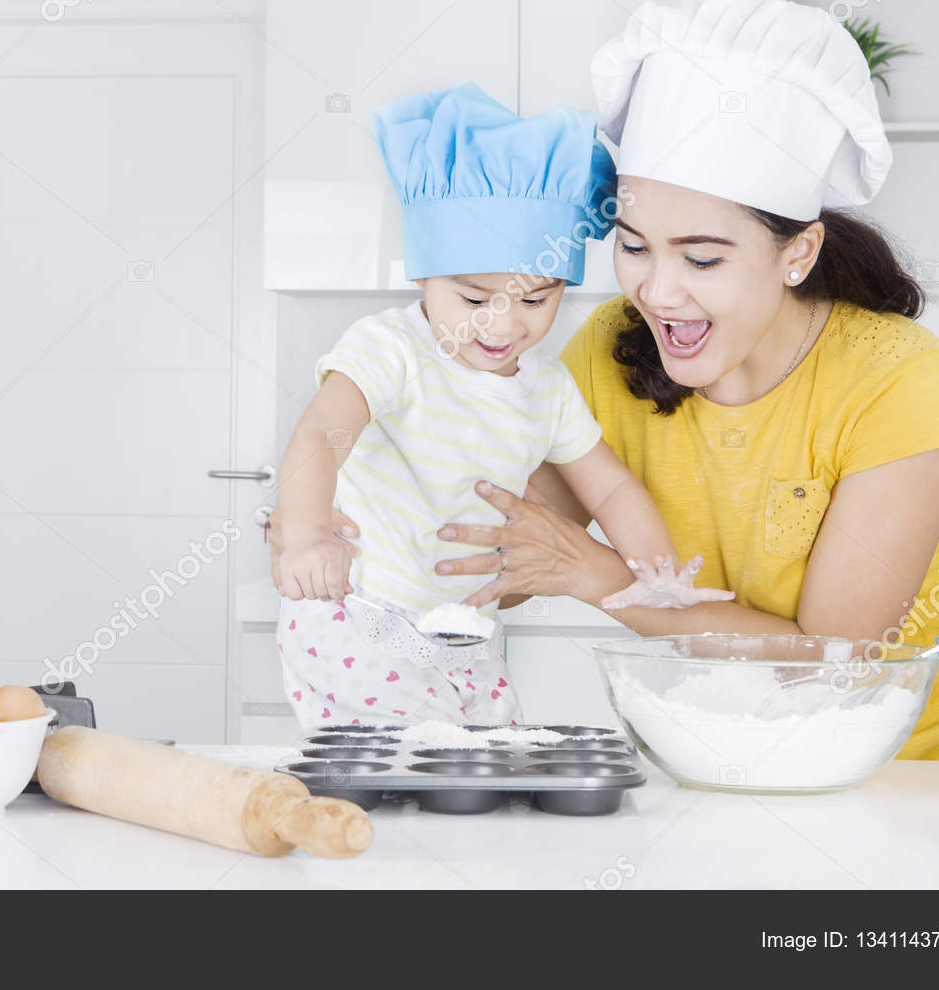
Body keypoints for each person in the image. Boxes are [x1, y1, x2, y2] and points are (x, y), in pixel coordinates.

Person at [400, 0, 939, 762]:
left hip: (938, 769)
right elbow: (513, 547)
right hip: (732, 746)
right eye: (634, 245)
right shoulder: (611, 348)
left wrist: (595, 574)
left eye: (701, 257)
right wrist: (377, 520)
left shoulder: (897, 381)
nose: (656, 290)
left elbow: (832, 660)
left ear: (797, 253)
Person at [272, 84, 714, 731]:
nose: (502, 325)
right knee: (425, 761)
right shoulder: (391, 349)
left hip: (467, 634)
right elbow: (322, 433)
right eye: (474, 299)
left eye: (535, 301)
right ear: (422, 273)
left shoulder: (545, 388)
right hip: (358, 612)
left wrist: (659, 573)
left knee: (485, 774)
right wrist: (307, 532)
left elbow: (612, 489)